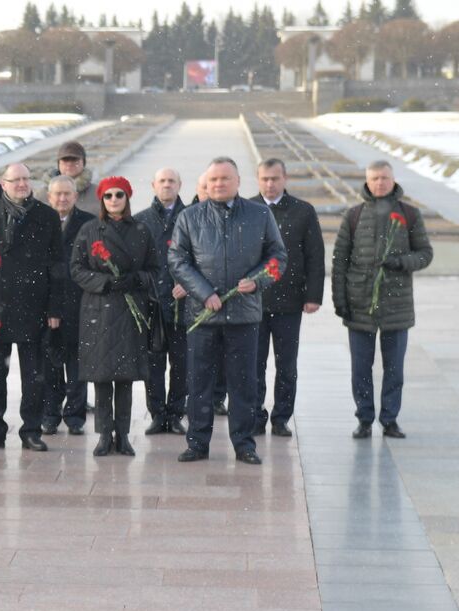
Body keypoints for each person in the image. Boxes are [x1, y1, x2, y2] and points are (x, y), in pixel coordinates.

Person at [169, 156, 287, 465]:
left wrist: (258, 280)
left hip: (243, 315)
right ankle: (197, 442)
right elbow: (177, 260)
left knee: (243, 382)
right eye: (213, 180)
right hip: (202, 315)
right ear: (205, 184)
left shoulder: (259, 215)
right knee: (199, 382)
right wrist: (204, 292)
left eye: (225, 179)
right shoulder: (190, 217)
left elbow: (278, 257)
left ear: (237, 182)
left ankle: (244, 443)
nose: (218, 184)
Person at [332, 160, 433, 439]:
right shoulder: (353, 216)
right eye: (375, 178)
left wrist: (400, 262)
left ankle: (390, 419)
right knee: (361, 367)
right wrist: (339, 299)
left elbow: (425, 253)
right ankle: (364, 418)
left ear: (393, 179)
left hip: (396, 306)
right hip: (360, 303)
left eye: (385, 178)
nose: (380, 183)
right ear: (367, 181)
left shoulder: (410, 215)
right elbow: (339, 261)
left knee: (394, 368)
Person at [71, 177, 158, 457]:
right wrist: (105, 282)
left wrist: (134, 279)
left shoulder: (142, 231)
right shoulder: (89, 230)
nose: (113, 200)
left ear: (127, 197)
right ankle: (103, 434)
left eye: (119, 195)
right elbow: (77, 269)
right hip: (98, 310)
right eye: (107, 196)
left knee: (125, 377)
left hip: (130, 309)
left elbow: (156, 270)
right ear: (102, 200)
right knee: (101, 376)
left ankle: (123, 435)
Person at [0, 162, 59, 451]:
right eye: (16, 179)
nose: (22, 184)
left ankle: (31, 430)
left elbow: (56, 265)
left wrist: (54, 309)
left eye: (26, 178)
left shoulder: (46, 216)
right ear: (4, 184)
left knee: (34, 375)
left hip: (33, 304)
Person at [250, 158, 325, 438]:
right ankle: (256, 416)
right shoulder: (247, 208)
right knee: (253, 364)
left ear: (285, 179)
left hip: (290, 302)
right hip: (254, 301)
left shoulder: (303, 211)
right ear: (257, 180)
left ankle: (281, 417)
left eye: (275, 178)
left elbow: (315, 257)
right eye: (265, 179)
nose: (270, 184)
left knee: (286, 365)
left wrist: (313, 296)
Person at [136, 167, 189, 435]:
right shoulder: (140, 220)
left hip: (183, 305)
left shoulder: (192, 217)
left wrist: (189, 284)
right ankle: (157, 413)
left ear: (180, 185)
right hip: (152, 305)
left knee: (181, 363)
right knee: (154, 363)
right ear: (153, 185)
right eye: (162, 181)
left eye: (172, 181)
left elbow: (201, 258)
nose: (167, 185)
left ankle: (176, 412)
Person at [43, 175, 94, 435]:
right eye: (57, 194)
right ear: (49, 196)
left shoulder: (88, 223)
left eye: (67, 194)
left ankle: (75, 416)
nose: (62, 199)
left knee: (77, 364)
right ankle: (50, 414)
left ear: (75, 196)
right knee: (50, 364)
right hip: (47, 303)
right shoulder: (41, 221)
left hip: (79, 303)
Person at [46, 141, 96, 213]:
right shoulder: (41, 195)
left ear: (83, 162)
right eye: (65, 160)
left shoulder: (97, 194)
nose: (69, 164)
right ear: (58, 163)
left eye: (74, 160)